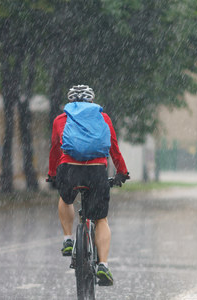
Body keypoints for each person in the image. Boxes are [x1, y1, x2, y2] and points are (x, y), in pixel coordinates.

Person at [47, 85, 129, 286]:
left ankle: (67, 239)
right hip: (96, 171)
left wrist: (52, 174)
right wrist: (121, 172)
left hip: (69, 168)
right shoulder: (103, 118)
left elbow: (55, 150)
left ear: (71, 102)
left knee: (66, 199)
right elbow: (114, 148)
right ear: (91, 101)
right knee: (101, 218)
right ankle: (103, 265)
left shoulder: (61, 119)